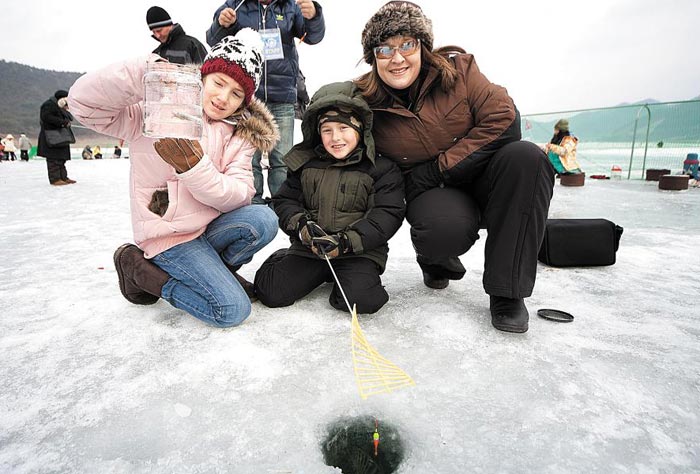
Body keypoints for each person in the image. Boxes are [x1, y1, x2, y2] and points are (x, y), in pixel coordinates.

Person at [355, 2, 555, 333]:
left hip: (486, 177)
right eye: (384, 48)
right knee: (440, 230)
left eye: (407, 44)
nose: (397, 57)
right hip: (436, 195)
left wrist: (436, 169)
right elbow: (339, 132)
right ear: (373, 57)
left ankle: (508, 293)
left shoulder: (461, 70)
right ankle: (434, 257)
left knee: (528, 157)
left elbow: (504, 119)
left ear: (423, 45)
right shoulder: (366, 101)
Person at [69, 29, 280, 328]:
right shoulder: (158, 110)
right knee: (232, 310)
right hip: (169, 237)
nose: (223, 98)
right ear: (203, 78)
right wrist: (143, 73)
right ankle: (145, 274)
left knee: (263, 219)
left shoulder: (241, 134)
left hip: (206, 229)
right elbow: (84, 104)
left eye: (236, 93)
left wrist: (194, 168)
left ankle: (217, 270)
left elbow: (241, 193)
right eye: (219, 83)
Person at [254, 81, 405, 314]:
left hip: (358, 252)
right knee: (271, 292)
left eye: (344, 128)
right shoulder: (305, 163)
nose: (336, 137)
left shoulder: (381, 168)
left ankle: (348, 279)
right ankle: (287, 261)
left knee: (362, 301)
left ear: (360, 129)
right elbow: (285, 201)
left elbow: (386, 215)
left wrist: (345, 242)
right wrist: (302, 227)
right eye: (327, 130)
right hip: (310, 249)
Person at [206, 0, 326, 204]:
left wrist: (314, 15)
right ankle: (252, 201)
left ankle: (284, 203)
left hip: (283, 93)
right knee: (248, 157)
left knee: (283, 158)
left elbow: (313, 37)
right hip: (248, 97)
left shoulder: (291, 6)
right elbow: (213, 39)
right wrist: (221, 23)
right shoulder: (236, 4)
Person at [38, 90, 77, 185]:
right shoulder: (48, 105)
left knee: (61, 158)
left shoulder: (61, 107)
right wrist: (62, 122)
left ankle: (63, 177)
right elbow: (47, 118)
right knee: (53, 159)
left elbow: (69, 117)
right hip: (51, 136)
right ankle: (55, 179)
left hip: (61, 136)